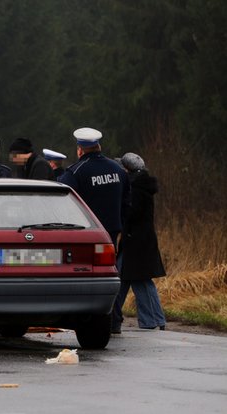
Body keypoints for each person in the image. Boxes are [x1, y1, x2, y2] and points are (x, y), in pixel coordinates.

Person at [111, 152, 167, 333]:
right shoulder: (140, 185)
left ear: (128, 170)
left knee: (138, 280)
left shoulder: (135, 189)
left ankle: (152, 319)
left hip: (136, 243)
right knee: (122, 279)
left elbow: (130, 213)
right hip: (137, 242)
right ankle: (111, 317)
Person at [58, 127, 130, 244]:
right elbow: (127, 201)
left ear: (80, 150)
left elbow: (62, 199)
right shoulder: (118, 169)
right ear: (99, 147)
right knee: (110, 261)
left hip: (87, 231)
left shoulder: (76, 172)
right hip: (112, 230)